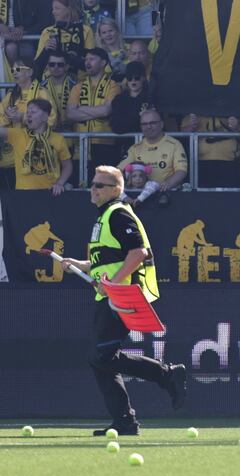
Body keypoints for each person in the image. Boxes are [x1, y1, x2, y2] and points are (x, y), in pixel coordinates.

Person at [55, 165, 187, 437]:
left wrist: (114, 284)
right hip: (112, 295)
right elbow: (109, 259)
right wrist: (80, 264)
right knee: (101, 358)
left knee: (101, 357)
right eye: (92, 184)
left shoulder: (118, 213)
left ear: (116, 189)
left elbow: (138, 252)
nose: (93, 189)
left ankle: (165, 375)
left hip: (122, 296)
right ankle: (126, 420)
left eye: (100, 185)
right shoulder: (104, 216)